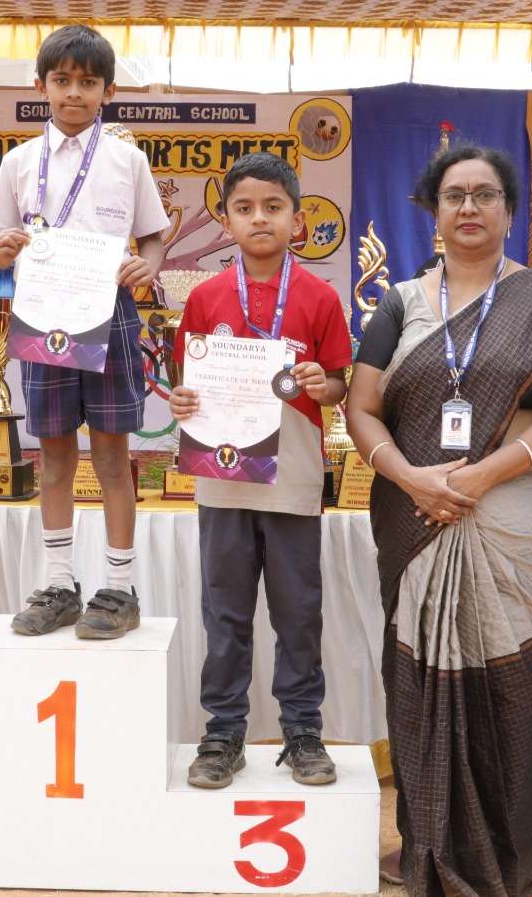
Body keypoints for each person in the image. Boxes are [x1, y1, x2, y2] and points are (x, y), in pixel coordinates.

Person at [345, 143, 532, 897]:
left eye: (484, 194)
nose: (468, 207)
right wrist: (412, 478)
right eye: (454, 195)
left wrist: (480, 476)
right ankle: (427, 845)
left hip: (525, 523)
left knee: (520, 680)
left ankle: (509, 855)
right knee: (419, 680)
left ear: (508, 211)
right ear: (433, 214)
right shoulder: (400, 304)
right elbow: (361, 407)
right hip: (418, 514)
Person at [167, 153, 354, 788]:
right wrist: (182, 400)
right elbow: (186, 385)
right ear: (226, 220)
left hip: (293, 479)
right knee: (225, 613)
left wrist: (323, 385)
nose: (259, 219)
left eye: (273, 207)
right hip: (223, 479)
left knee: (298, 612)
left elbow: (338, 384)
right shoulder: (206, 297)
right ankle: (223, 732)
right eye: (244, 208)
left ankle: (302, 731)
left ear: (297, 220)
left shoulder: (320, 297)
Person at [0, 23, 171, 639]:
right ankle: (60, 583)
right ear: (40, 86)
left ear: (109, 92)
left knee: (113, 454)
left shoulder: (127, 159)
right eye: (61, 80)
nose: (73, 93)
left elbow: (153, 237)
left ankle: (119, 587)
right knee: (56, 452)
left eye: (88, 83)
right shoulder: (18, 162)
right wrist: (4, 250)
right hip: (44, 317)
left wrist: (149, 266)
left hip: (110, 313)